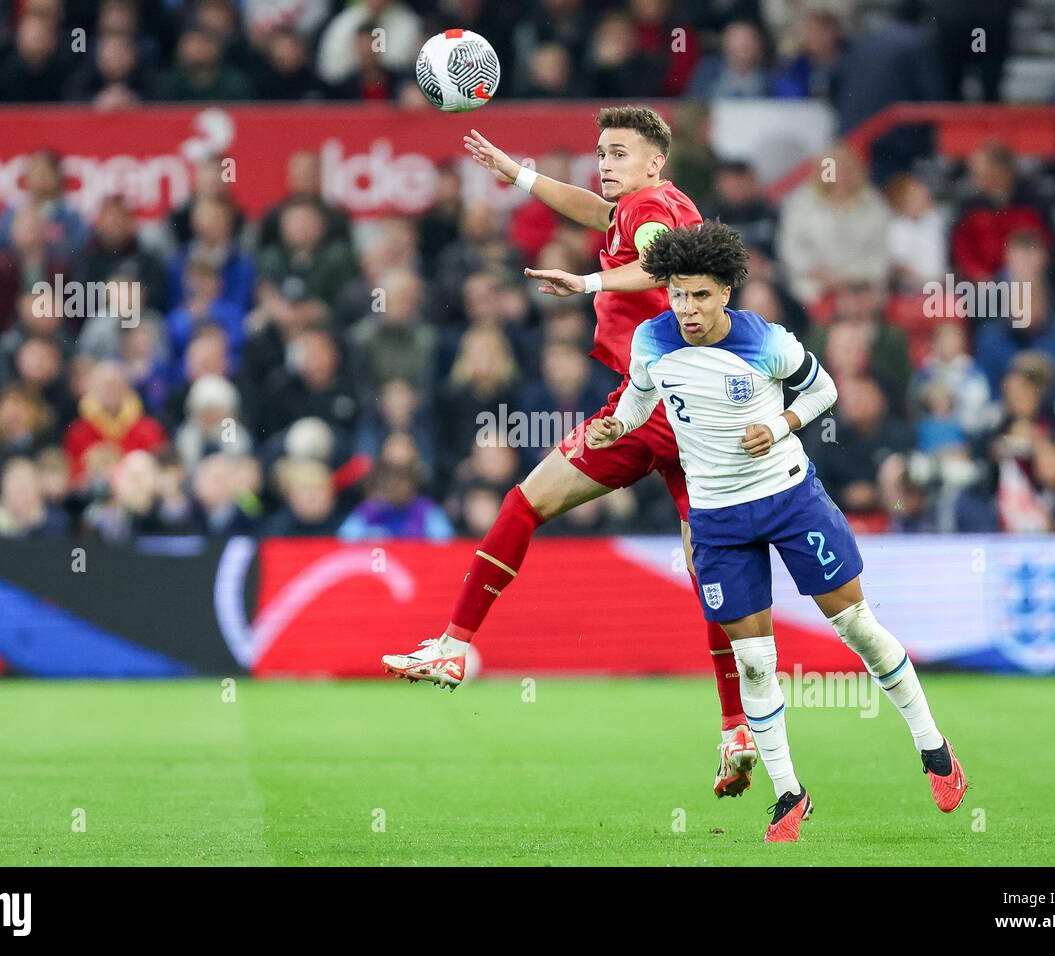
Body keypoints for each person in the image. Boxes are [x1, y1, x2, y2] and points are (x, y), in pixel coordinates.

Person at [380, 106, 759, 800]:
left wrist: (585, 285)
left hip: (650, 410)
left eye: (617, 153)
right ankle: (736, 727)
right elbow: (599, 215)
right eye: (600, 151)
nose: (604, 163)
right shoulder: (664, 201)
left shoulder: (648, 210)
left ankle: (455, 644)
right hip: (690, 413)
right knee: (711, 574)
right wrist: (520, 174)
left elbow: (652, 264)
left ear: (653, 163)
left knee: (526, 501)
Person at [586, 223, 967, 842]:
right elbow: (638, 399)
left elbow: (824, 389)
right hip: (715, 518)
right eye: (679, 295)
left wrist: (783, 423)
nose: (687, 309)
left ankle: (932, 746)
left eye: (701, 296)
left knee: (857, 627)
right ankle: (789, 794)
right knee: (756, 662)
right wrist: (615, 429)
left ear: (727, 294)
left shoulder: (765, 340)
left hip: (789, 498)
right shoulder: (651, 340)